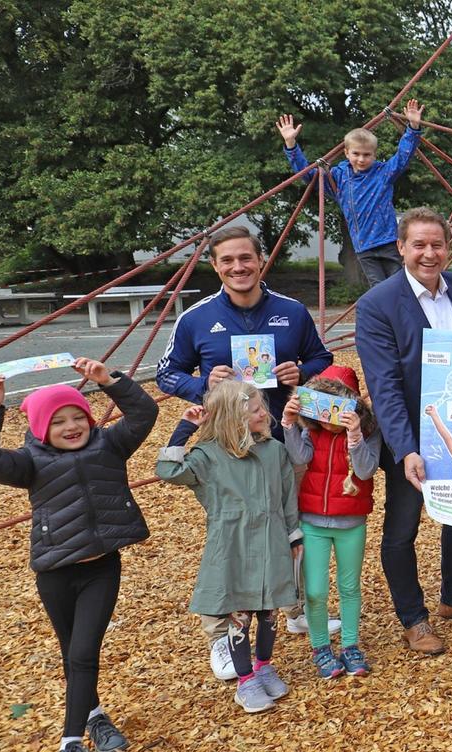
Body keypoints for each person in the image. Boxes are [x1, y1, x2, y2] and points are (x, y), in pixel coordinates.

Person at [155, 225, 335, 681]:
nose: (238, 267)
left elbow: (322, 358)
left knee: (293, 523)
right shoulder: (196, 317)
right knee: (233, 535)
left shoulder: (291, 313)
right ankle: (222, 633)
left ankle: (293, 609)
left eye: (246, 258)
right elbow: (165, 373)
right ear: (215, 266)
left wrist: (302, 371)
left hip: (282, 439)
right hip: (227, 447)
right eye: (228, 261)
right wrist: (203, 385)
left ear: (260, 261)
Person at [355, 207, 452, 657]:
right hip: (410, 433)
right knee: (402, 528)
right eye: (418, 244)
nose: (428, 253)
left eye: (436, 244)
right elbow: (383, 386)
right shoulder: (377, 304)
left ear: (448, 247)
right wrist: (405, 449)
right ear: (401, 247)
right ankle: (412, 618)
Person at [0, 358, 156, 752]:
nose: (71, 426)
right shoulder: (28, 462)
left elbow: (144, 413)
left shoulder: (110, 445)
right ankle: (96, 715)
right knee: (73, 654)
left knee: (83, 652)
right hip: (55, 573)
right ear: (40, 428)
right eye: (59, 420)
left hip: (101, 567)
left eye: (77, 416)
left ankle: (69, 747)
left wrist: (108, 382)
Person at [156, 382, 301, 715]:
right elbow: (169, 471)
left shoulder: (274, 451)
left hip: (272, 540)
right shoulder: (209, 456)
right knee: (240, 614)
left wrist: (294, 536)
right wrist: (184, 428)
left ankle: (264, 666)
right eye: (255, 411)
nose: (264, 413)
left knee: (270, 611)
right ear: (233, 418)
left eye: (263, 407)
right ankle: (245, 680)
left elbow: (286, 497)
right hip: (233, 544)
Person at [279, 366, 381, 679]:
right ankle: (321, 647)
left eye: (337, 409)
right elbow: (298, 458)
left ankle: (350, 645)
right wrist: (289, 424)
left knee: (349, 587)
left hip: (351, 521)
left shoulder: (368, 433)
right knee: (315, 591)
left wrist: (354, 437)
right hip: (312, 520)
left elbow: (365, 471)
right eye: (323, 409)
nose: (329, 418)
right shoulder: (313, 431)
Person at [278, 99, 424, 285]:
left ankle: (406, 313)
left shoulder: (383, 173)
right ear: (347, 152)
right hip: (363, 246)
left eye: (367, 154)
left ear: (374, 154)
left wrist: (412, 127)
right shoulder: (339, 178)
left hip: (388, 242)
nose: (361, 159)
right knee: (379, 290)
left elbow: (403, 156)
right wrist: (291, 145)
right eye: (356, 154)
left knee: (400, 284)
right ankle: (386, 314)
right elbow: (309, 176)